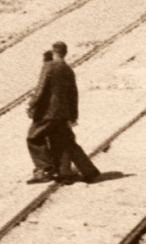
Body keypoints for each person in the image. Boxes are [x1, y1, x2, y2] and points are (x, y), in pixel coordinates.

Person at [25, 41, 99, 185]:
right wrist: (73, 116)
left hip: (47, 113)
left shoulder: (49, 66)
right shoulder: (68, 69)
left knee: (34, 138)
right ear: (65, 53)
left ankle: (45, 169)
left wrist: (31, 105)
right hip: (63, 113)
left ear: (53, 52)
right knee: (65, 142)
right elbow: (73, 94)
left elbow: (41, 89)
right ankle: (84, 172)